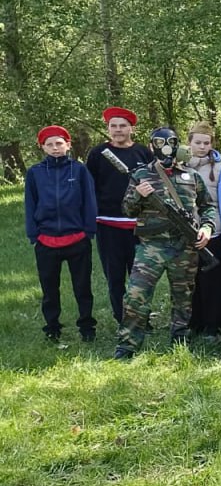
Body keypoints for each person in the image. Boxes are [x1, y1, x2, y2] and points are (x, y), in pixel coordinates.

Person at [113, 128, 218, 360]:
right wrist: (137, 194)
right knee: (135, 294)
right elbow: (127, 210)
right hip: (151, 247)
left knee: (183, 296)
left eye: (170, 142)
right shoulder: (141, 175)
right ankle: (128, 344)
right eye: (160, 142)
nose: (165, 146)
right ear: (152, 146)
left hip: (185, 246)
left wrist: (207, 228)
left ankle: (180, 337)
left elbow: (208, 206)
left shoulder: (192, 176)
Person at [25, 125, 98, 343]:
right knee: (49, 289)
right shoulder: (35, 173)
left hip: (77, 239)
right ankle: (52, 327)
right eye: (50, 144)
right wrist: (34, 234)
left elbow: (89, 201)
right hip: (46, 241)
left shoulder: (79, 170)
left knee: (82, 287)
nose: (55, 148)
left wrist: (88, 231)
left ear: (68, 145)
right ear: (43, 147)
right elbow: (30, 204)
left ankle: (87, 326)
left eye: (59, 143)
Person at [86, 106, 152, 324]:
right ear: (108, 128)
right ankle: (122, 319)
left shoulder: (143, 153)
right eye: (113, 126)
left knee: (140, 278)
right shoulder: (97, 154)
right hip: (108, 224)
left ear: (131, 128)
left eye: (122, 126)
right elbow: (90, 187)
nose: (117, 130)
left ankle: (142, 318)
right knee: (115, 277)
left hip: (139, 225)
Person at [186, 122, 221, 338]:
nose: (202, 146)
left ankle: (215, 325)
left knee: (213, 282)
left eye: (206, 142)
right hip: (187, 231)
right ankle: (193, 323)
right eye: (198, 142)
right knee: (190, 281)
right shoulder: (180, 166)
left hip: (213, 232)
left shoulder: (220, 169)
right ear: (189, 143)